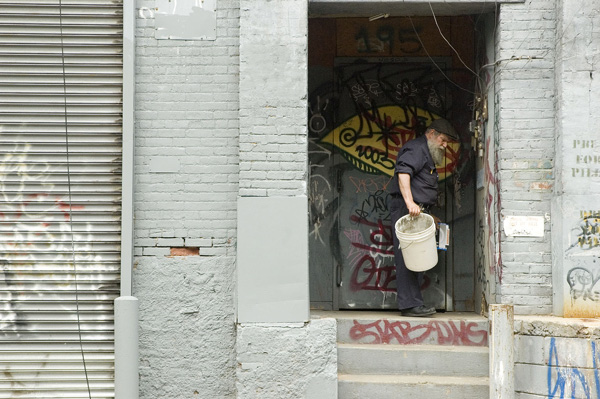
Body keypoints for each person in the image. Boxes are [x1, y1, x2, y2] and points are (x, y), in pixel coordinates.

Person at [388, 118, 459, 317]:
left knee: (418, 255)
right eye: (443, 140)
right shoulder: (417, 149)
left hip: (416, 211)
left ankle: (413, 303)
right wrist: (410, 203)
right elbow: (403, 174)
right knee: (408, 256)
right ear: (431, 134)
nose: (445, 145)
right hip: (407, 209)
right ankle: (410, 306)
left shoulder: (426, 152)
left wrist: (428, 215)